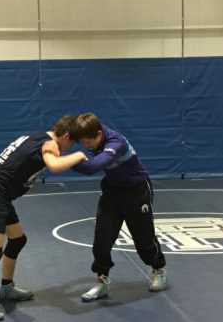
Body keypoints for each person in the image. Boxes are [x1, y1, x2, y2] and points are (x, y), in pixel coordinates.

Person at [0, 116, 88, 322]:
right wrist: (79, 156)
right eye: (71, 143)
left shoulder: (37, 136)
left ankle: (6, 288)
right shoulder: (50, 145)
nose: (68, 148)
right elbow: (55, 166)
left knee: (18, 239)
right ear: (66, 136)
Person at [71, 113, 167, 301]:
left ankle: (158, 270)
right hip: (112, 191)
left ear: (98, 134)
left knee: (144, 240)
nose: (86, 146)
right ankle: (102, 280)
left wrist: (64, 162)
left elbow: (92, 167)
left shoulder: (116, 143)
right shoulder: (91, 130)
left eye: (88, 143)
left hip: (137, 190)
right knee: (102, 238)